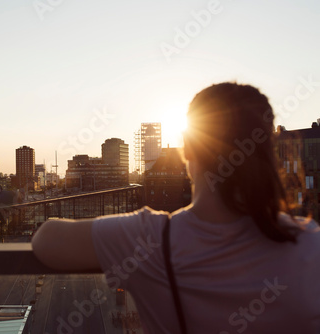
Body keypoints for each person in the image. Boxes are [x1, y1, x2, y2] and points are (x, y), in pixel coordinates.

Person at [31, 82, 320, 333]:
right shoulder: (309, 245)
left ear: (187, 149)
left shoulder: (149, 240)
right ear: (269, 150)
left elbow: (46, 240)